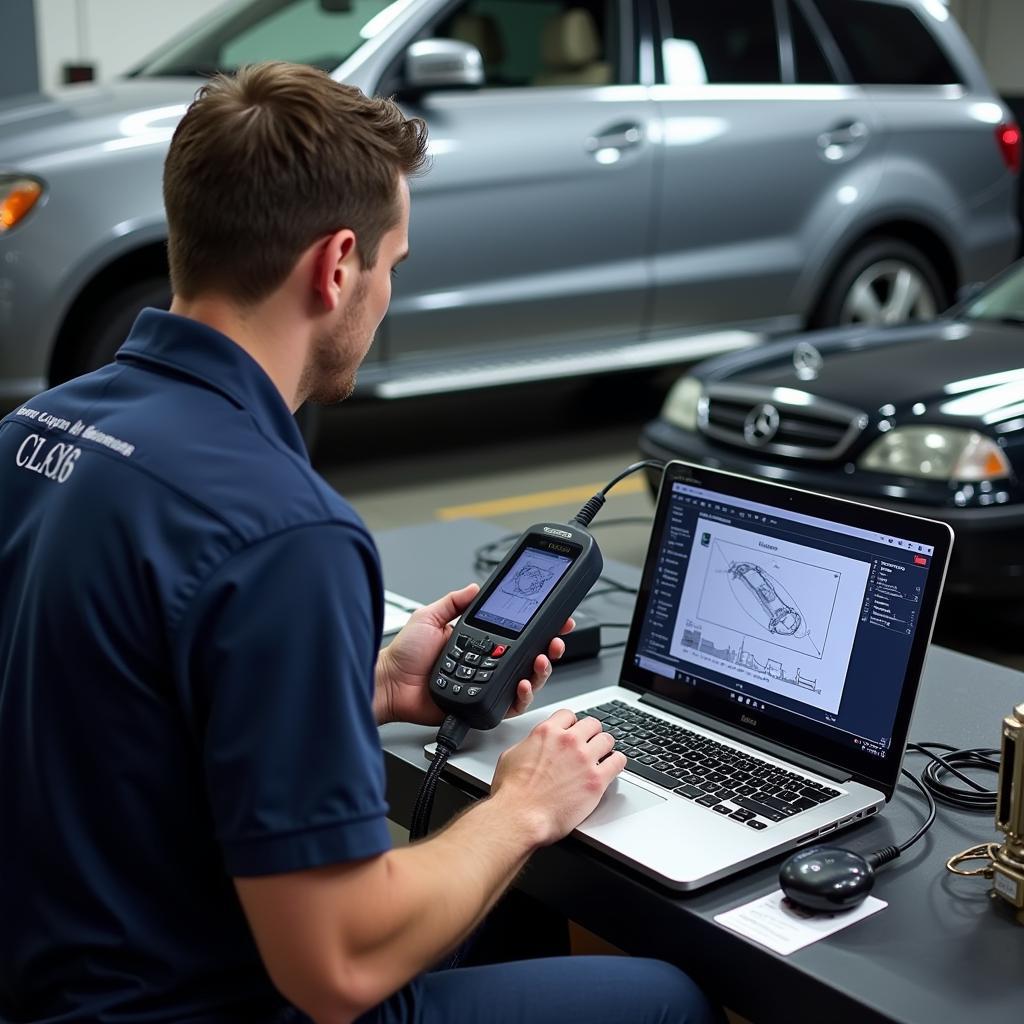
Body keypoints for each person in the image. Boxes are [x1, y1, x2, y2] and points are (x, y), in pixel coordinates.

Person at [0, 62, 722, 1024]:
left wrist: (373, 685)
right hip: (195, 1002)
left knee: (498, 922)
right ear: (337, 264)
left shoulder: (36, 432)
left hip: (49, 972)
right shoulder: (286, 531)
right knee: (664, 998)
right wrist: (524, 807)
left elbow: (112, 696)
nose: (384, 298)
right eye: (393, 266)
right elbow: (334, 969)